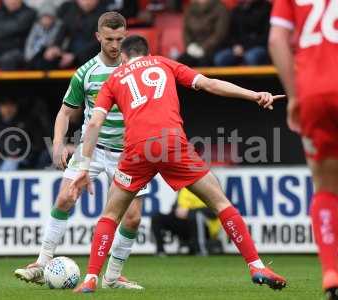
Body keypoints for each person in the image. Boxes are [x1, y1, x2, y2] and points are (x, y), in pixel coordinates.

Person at [70, 35, 287, 293]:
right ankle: (256, 266)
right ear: (147, 54)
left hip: (137, 149)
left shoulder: (114, 78)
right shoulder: (163, 63)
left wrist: (83, 167)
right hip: (171, 142)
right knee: (220, 202)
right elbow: (210, 84)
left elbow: (94, 123)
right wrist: (255, 95)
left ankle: (91, 278)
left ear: (124, 58)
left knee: (110, 214)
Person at [14, 12, 147, 290]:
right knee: (65, 197)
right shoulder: (85, 72)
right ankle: (41, 262)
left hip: (129, 153)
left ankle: (112, 277)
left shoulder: (136, 70)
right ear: (98, 37)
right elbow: (65, 112)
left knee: (133, 217)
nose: (115, 45)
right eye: (109, 39)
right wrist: (59, 143)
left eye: (120, 39)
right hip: (93, 149)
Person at [268, 1, 338, 299]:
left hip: (313, 95)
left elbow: (275, 39)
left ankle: (331, 271)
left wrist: (295, 97)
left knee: (325, 186)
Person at [151, 187, 221, 256]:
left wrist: (189, 212)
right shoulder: (183, 188)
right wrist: (176, 211)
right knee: (157, 218)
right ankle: (160, 251)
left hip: (206, 227)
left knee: (195, 216)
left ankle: (200, 250)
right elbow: (175, 207)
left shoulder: (209, 188)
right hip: (185, 223)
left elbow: (214, 212)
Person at [0, 0, 36, 70]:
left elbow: (16, 27)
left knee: (8, 59)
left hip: (18, 49)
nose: (12, 2)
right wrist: (5, 31)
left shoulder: (29, 12)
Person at [214, 0, 271, 66]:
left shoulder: (266, 8)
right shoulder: (237, 10)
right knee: (220, 58)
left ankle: (255, 76)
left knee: (251, 57)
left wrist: (245, 47)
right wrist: (235, 46)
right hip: (238, 48)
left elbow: (266, 37)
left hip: (259, 47)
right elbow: (231, 34)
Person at [178, 0, 229, 67]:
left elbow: (220, 34)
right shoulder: (190, 8)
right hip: (193, 48)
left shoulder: (220, 8)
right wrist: (189, 46)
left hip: (213, 49)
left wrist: (204, 48)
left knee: (204, 63)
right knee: (180, 64)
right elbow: (186, 31)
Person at [24, 2, 64, 70]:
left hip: (49, 56)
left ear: (54, 18)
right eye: (44, 17)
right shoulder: (36, 27)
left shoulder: (58, 27)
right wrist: (29, 56)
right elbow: (29, 42)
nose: (46, 20)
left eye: (49, 17)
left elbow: (58, 43)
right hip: (34, 56)